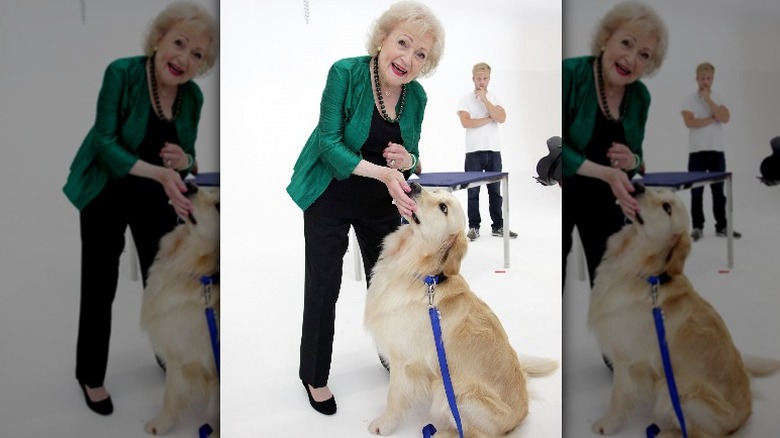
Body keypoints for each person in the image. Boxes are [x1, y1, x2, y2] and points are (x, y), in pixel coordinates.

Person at [285, 0, 444, 416]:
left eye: (420, 54)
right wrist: (386, 174)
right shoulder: (347, 73)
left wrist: (408, 163)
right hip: (329, 194)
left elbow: (414, 156)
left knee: (392, 284)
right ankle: (314, 374)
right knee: (324, 285)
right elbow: (330, 145)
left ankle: (392, 353)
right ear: (383, 39)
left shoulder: (418, 96)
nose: (408, 58)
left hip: (378, 201)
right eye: (403, 43)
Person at [62, 2, 218, 416]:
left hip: (155, 196)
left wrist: (184, 164)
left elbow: (187, 157)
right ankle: (90, 374)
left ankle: (167, 352)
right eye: (179, 43)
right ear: (159, 39)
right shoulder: (123, 73)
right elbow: (105, 142)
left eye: (197, 54)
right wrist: (161, 173)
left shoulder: (193, 97)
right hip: (106, 190)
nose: (184, 58)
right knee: (100, 284)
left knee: (166, 280)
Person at [562, 1, 668, 288]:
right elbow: (556, 149)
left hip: (606, 200)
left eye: (644, 54)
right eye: (626, 43)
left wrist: (632, 160)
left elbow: (638, 155)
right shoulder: (570, 75)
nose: (631, 59)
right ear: (607, 38)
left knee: (611, 289)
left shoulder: (641, 96)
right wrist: (607, 172)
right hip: (563, 191)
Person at [681, 62, 741, 241]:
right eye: (702, 79)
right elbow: (690, 123)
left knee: (718, 191)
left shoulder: (718, 97)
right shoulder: (689, 99)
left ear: (712, 79)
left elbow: (725, 118)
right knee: (696, 192)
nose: (705, 82)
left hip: (717, 151)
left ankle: (721, 226)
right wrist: (712, 118)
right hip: (697, 151)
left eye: (708, 79)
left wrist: (708, 100)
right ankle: (698, 227)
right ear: (696, 78)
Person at [457, 62, 516, 241]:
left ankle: (498, 226)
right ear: (473, 78)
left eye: (484, 79)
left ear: (489, 79)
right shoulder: (465, 99)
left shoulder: (495, 97)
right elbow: (466, 123)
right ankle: (474, 227)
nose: (481, 82)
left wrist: (485, 100)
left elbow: (502, 118)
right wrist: (489, 117)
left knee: (495, 190)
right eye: (478, 78)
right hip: (473, 152)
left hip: (494, 151)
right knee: (473, 192)